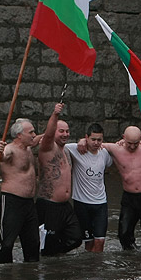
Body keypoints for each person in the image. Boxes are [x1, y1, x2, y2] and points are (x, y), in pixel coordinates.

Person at [35, 102, 82, 256]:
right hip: (49, 205)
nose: (65, 134)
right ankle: (47, 269)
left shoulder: (67, 151)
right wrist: (55, 114)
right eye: (61, 131)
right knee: (47, 246)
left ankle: (56, 257)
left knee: (76, 238)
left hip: (65, 206)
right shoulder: (47, 148)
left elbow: (93, 143)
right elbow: (48, 135)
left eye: (67, 131)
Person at [0, 118, 40, 264]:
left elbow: (45, 136)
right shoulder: (10, 149)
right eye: (31, 132)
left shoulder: (28, 148)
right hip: (12, 201)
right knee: (7, 243)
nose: (34, 135)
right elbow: (0, 158)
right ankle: (3, 277)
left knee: (33, 244)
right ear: (19, 135)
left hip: (29, 203)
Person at [65, 123, 113, 252]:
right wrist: (80, 141)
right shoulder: (75, 149)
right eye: (93, 139)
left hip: (100, 203)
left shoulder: (104, 154)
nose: (96, 143)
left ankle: (96, 269)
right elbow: (57, 144)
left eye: (99, 140)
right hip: (82, 203)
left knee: (100, 240)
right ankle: (90, 268)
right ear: (86, 137)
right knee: (88, 241)